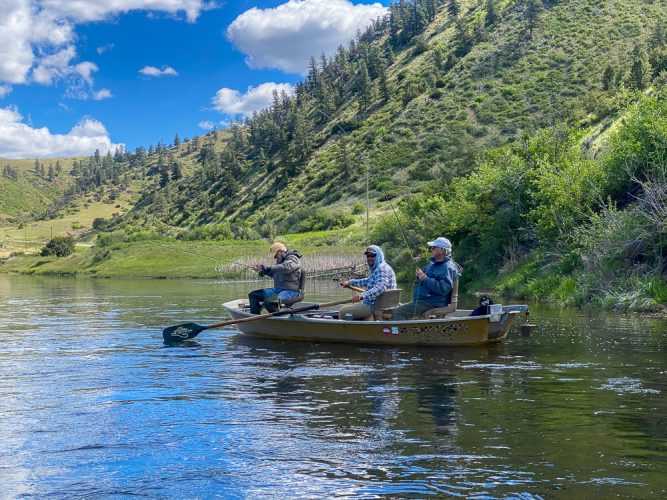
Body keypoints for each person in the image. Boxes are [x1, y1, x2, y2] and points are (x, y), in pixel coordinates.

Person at [392, 237, 461, 320]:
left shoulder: (448, 267)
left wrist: (424, 278)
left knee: (398, 312)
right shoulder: (432, 264)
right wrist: (419, 276)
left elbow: (443, 289)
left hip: (432, 302)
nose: (430, 250)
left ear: (442, 250)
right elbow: (424, 280)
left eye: (433, 248)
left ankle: (400, 333)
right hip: (424, 301)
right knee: (396, 308)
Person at [339, 245, 397, 320]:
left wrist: (362, 296)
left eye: (372, 255)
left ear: (379, 255)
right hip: (376, 304)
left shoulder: (381, 269)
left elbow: (381, 287)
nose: (369, 258)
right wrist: (350, 282)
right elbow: (367, 281)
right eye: (368, 256)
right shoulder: (379, 268)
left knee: (343, 311)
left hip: (375, 306)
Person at [248, 242, 303, 314]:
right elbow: (274, 273)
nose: (275, 258)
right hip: (278, 290)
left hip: (291, 292)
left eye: (276, 255)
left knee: (269, 302)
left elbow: (287, 267)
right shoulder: (280, 262)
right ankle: (256, 317)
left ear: (281, 251)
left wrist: (268, 268)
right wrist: (263, 270)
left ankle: (279, 319)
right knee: (253, 295)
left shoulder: (293, 258)